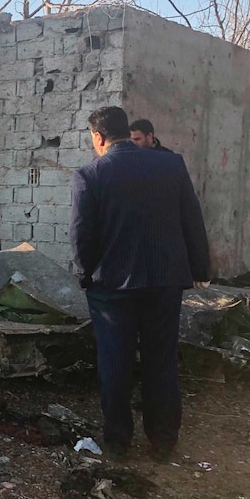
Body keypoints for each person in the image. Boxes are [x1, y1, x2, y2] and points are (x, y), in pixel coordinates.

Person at [70, 106, 210, 462]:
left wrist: (84, 275)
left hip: (111, 287)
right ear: (126, 130)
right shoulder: (171, 165)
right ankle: (163, 440)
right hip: (165, 282)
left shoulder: (91, 173)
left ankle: (118, 441)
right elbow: (191, 219)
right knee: (161, 360)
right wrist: (200, 268)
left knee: (115, 361)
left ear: (99, 137)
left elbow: (82, 235)